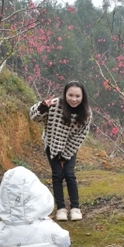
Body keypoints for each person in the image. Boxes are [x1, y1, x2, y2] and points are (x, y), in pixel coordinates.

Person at [30, 81, 92, 221]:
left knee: (69, 174)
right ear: (65, 94)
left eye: (77, 96)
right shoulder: (55, 104)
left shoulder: (86, 112)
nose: (74, 99)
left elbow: (80, 136)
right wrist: (43, 107)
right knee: (57, 175)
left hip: (71, 147)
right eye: (70, 95)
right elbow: (34, 118)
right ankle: (61, 209)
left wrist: (65, 154)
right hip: (51, 144)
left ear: (83, 97)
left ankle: (75, 207)